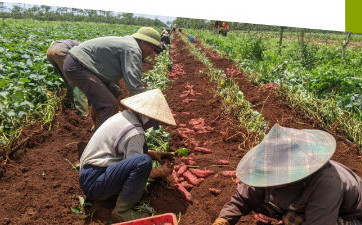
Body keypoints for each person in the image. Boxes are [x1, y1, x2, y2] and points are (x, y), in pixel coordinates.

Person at [213, 124, 362, 225]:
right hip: (313, 204)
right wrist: (223, 220)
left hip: (351, 215)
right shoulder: (267, 171)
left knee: (293, 220)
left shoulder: (326, 182)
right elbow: (242, 199)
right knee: (287, 216)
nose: (269, 182)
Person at [78, 89, 177, 223]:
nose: (152, 127)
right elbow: (137, 167)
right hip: (95, 183)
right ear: (149, 119)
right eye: (155, 124)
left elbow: (123, 153)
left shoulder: (123, 117)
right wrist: (160, 172)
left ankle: (116, 198)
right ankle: (121, 212)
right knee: (143, 161)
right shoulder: (135, 132)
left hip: (90, 175)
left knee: (144, 154)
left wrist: (154, 154)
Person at [63, 27, 162, 129]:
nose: (152, 52)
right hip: (79, 66)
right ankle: (100, 141)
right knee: (109, 104)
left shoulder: (130, 44)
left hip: (82, 65)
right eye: (152, 48)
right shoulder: (133, 49)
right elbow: (135, 86)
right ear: (144, 42)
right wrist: (149, 107)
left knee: (114, 93)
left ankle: (96, 126)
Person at [46, 39, 89, 118]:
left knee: (69, 80)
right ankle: (84, 114)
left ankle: (72, 102)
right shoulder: (86, 49)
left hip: (50, 51)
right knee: (78, 82)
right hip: (61, 50)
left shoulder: (81, 44)